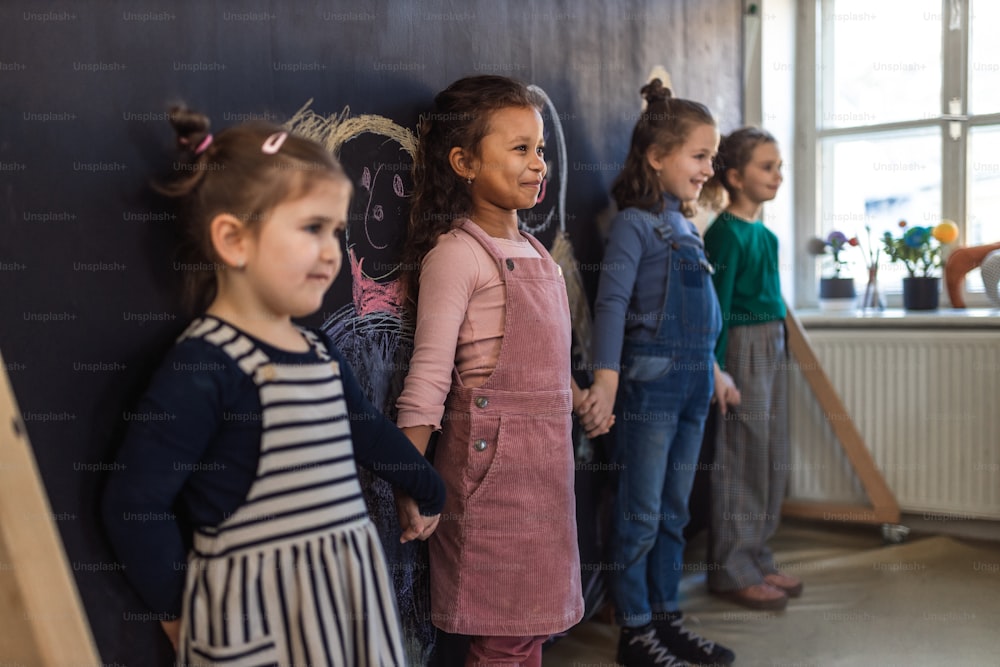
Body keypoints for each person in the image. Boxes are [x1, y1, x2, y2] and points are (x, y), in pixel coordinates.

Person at [102, 108, 445, 666]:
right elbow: (134, 503)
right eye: (312, 228)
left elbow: (368, 432)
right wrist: (180, 616)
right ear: (235, 240)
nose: (334, 249)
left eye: (337, 229)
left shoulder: (317, 352)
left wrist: (425, 487)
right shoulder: (205, 366)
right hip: (259, 625)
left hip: (344, 611)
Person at [393, 75, 612, 667]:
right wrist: (410, 477)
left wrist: (574, 393)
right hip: (491, 475)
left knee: (528, 628)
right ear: (463, 161)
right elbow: (430, 377)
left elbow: (543, 359)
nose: (538, 163)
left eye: (539, 149)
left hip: (545, 466)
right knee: (504, 636)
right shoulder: (457, 254)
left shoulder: (537, 252)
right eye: (519, 149)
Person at [575, 79, 738, 667]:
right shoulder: (634, 226)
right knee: (641, 513)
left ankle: (667, 619)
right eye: (699, 156)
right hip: (651, 385)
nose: (707, 168)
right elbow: (612, 306)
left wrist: (716, 370)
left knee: (675, 512)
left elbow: (704, 314)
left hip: (696, 383)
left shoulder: (690, 229)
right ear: (656, 156)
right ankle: (636, 632)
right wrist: (607, 378)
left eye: (712, 157)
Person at [700, 127, 802, 610]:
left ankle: (758, 552)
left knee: (770, 452)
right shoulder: (725, 234)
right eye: (767, 167)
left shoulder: (766, 235)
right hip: (740, 350)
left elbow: (772, 303)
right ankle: (731, 567)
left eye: (779, 166)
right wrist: (718, 370)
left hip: (771, 344)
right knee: (741, 455)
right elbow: (715, 309)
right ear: (735, 176)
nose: (777, 175)